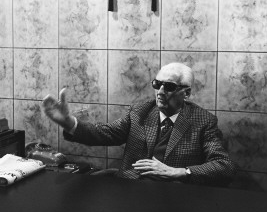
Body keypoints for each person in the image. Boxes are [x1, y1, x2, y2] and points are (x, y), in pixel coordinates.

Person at [42, 62, 236, 186]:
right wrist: (69, 123)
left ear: (186, 93)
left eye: (168, 87)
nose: (160, 91)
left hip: (174, 199)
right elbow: (105, 133)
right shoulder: (141, 111)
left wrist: (178, 172)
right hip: (130, 190)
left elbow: (224, 166)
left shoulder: (203, 121)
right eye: (157, 84)